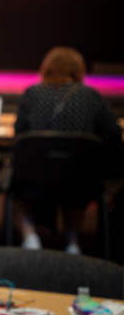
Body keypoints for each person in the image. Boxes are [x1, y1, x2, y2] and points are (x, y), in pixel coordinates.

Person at [13, 47, 122, 254]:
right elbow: (114, 134)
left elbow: (19, 134)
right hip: (79, 181)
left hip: (34, 179)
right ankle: (73, 241)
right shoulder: (91, 96)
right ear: (78, 70)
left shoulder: (32, 93)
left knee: (17, 186)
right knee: (74, 180)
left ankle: (30, 239)